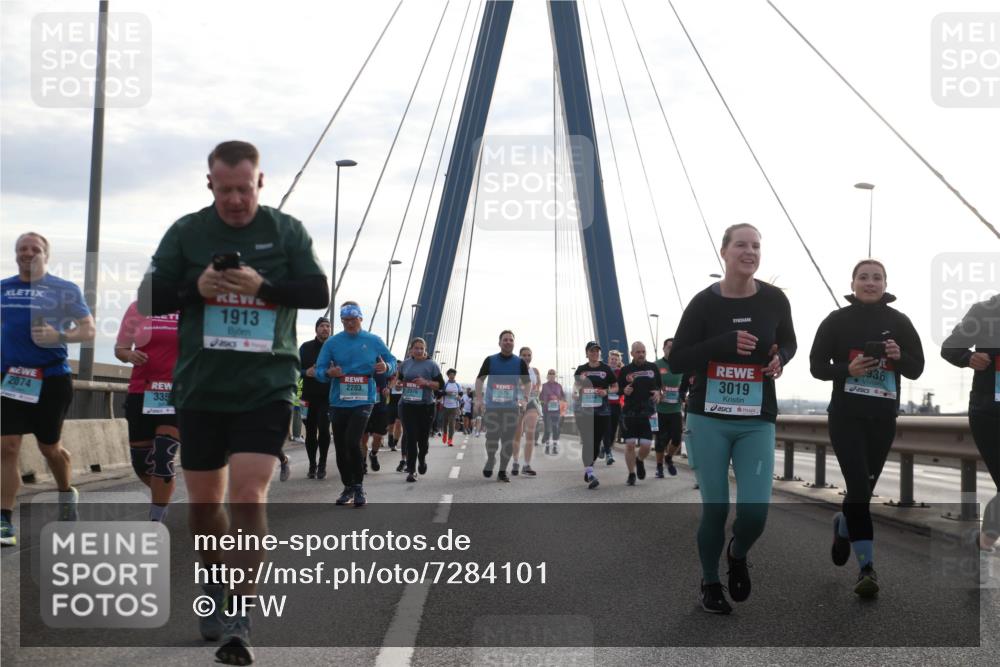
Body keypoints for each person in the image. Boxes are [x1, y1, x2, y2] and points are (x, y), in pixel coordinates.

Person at [138, 140, 329, 662]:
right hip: (202, 388)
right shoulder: (188, 232)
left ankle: (240, 618)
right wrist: (195, 287)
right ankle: (213, 580)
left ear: (260, 182)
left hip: (265, 385)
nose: (236, 200)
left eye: (245, 189)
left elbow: (317, 293)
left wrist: (263, 285)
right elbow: (148, 297)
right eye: (226, 191)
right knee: (204, 509)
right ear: (211, 186)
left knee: (248, 496)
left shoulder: (285, 231)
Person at [668, 223, 796, 615]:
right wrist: (721, 344)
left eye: (756, 245)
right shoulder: (704, 303)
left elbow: (788, 340)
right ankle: (710, 581)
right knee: (716, 508)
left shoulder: (775, 300)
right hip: (709, 417)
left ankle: (737, 552)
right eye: (741, 244)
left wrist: (781, 358)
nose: (750, 251)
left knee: (755, 512)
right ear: (724, 252)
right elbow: (677, 359)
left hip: (757, 417)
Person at [810, 259, 924, 597]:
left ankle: (843, 526)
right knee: (859, 488)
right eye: (864, 277)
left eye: (877, 277)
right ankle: (867, 569)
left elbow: (916, 369)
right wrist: (848, 368)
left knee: (863, 491)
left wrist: (899, 355)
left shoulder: (899, 322)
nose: (870, 282)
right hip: (846, 416)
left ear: (885, 284)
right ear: (853, 283)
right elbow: (817, 367)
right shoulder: (837, 320)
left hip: (882, 418)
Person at [1, 232, 95, 547]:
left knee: (49, 448)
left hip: (52, 379)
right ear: (15, 254)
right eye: (22, 249)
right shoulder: (4, 289)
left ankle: (66, 494)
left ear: (46, 255)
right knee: (7, 446)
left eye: (35, 249)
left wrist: (59, 335)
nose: (28, 253)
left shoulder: (64, 290)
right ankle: (3, 519)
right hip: (10, 379)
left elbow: (88, 329)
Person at [314, 301, 396, 504]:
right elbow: (319, 371)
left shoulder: (373, 340)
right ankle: (347, 487)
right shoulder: (332, 343)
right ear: (342, 321)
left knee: (353, 442)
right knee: (341, 446)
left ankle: (359, 487)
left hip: (364, 399)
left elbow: (393, 363)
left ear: (361, 318)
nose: (350, 324)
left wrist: (385, 366)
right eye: (346, 320)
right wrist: (328, 373)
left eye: (353, 320)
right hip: (338, 401)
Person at [941, 295, 999, 553]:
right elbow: (950, 348)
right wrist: (969, 358)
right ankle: (985, 543)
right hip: (989, 412)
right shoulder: (985, 310)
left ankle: (984, 542)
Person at [113, 300, 180, 522]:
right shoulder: (137, 308)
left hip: (177, 393)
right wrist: (129, 355)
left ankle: (155, 520)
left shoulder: (192, 308)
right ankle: (163, 491)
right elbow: (120, 349)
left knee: (163, 456)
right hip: (142, 392)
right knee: (142, 464)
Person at [475, 330, 531, 482]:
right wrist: (479, 399)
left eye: (510, 340)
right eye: (505, 340)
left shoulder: (519, 363)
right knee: (491, 438)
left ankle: (502, 471)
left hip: (511, 408)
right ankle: (491, 459)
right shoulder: (490, 360)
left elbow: (527, 382)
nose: (508, 342)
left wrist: (525, 399)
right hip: (492, 407)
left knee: (507, 440)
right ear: (499, 343)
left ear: (514, 343)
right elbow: (480, 380)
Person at [397, 338, 445, 482]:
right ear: (411, 350)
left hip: (426, 407)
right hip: (408, 405)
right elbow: (399, 380)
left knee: (422, 440)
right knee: (411, 438)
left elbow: (440, 385)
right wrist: (398, 385)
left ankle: (422, 459)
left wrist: (426, 382)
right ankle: (411, 470)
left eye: (421, 348)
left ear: (425, 350)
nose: (418, 351)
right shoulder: (405, 364)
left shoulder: (432, 365)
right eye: (416, 348)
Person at [618, 342, 662, 486]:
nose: (641, 354)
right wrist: (624, 390)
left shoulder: (653, 367)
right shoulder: (625, 370)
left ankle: (640, 460)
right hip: (630, 412)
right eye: (638, 352)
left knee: (646, 445)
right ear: (632, 354)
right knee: (630, 444)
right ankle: (631, 474)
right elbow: (617, 390)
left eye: (643, 351)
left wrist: (658, 393)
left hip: (648, 412)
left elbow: (659, 388)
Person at [573, 342, 617, 489]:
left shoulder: (606, 369)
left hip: (602, 410)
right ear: (587, 353)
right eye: (591, 351)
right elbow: (577, 384)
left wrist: (607, 392)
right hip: (585, 411)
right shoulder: (581, 369)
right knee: (587, 441)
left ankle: (588, 466)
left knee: (596, 444)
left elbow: (615, 386)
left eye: (597, 351)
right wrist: (574, 391)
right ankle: (590, 472)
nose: (594, 353)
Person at [299, 317, 332, 479]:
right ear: (316, 329)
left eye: (327, 326)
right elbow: (295, 369)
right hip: (307, 397)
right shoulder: (305, 347)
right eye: (322, 326)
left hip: (327, 398)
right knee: (310, 432)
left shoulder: (335, 348)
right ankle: (312, 464)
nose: (325, 328)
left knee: (324, 430)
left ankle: (322, 464)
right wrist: (306, 372)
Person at [654, 338, 688, 478]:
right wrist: (657, 390)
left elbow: (686, 384)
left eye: (674, 348)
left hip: (675, 409)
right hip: (660, 409)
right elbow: (651, 383)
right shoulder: (656, 365)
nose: (671, 350)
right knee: (660, 440)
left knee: (676, 438)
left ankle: (669, 457)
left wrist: (683, 393)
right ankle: (659, 467)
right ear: (663, 349)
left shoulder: (682, 365)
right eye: (669, 347)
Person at [512, 347, 542, 476]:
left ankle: (527, 465)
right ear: (519, 356)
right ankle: (515, 462)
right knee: (517, 434)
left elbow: (539, 385)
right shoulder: (514, 370)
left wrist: (537, 390)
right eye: (524, 355)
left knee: (530, 433)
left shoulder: (534, 371)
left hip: (531, 403)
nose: (526, 357)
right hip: (517, 403)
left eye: (529, 355)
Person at [361, 370, 391, 474]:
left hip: (380, 408)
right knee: (363, 438)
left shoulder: (383, 365)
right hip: (363, 406)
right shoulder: (360, 365)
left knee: (378, 437)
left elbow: (396, 376)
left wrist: (389, 388)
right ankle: (363, 463)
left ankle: (373, 454)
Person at [603, 348, 624, 462]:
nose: (613, 361)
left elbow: (624, 385)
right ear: (608, 360)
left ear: (618, 361)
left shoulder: (621, 372)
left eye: (616, 359)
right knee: (607, 428)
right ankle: (608, 452)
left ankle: (607, 448)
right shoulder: (604, 371)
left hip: (616, 404)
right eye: (612, 359)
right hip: (605, 403)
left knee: (613, 429)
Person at [540, 369, 565, 455]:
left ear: (555, 376)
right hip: (547, 411)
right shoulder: (544, 386)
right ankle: (547, 447)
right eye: (550, 373)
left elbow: (563, 397)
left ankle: (554, 447)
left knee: (555, 429)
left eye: (553, 373)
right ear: (547, 375)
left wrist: (558, 401)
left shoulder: (559, 386)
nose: (551, 375)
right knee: (547, 430)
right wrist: (545, 402)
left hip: (556, 411)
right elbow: (540, 398)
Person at [441, 369, 463, 446]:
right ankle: (445, 434)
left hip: (454, 406)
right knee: (445, 423)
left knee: (452, 424)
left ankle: (450, 440)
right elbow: (441, 392)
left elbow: (461, 393)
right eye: (450, 374)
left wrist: (459, 397)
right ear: (448, 375)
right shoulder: (445, 384)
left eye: (453, 374)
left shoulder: (457, 385)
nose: (452, 376)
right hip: (445, 406)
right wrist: (447, 393)